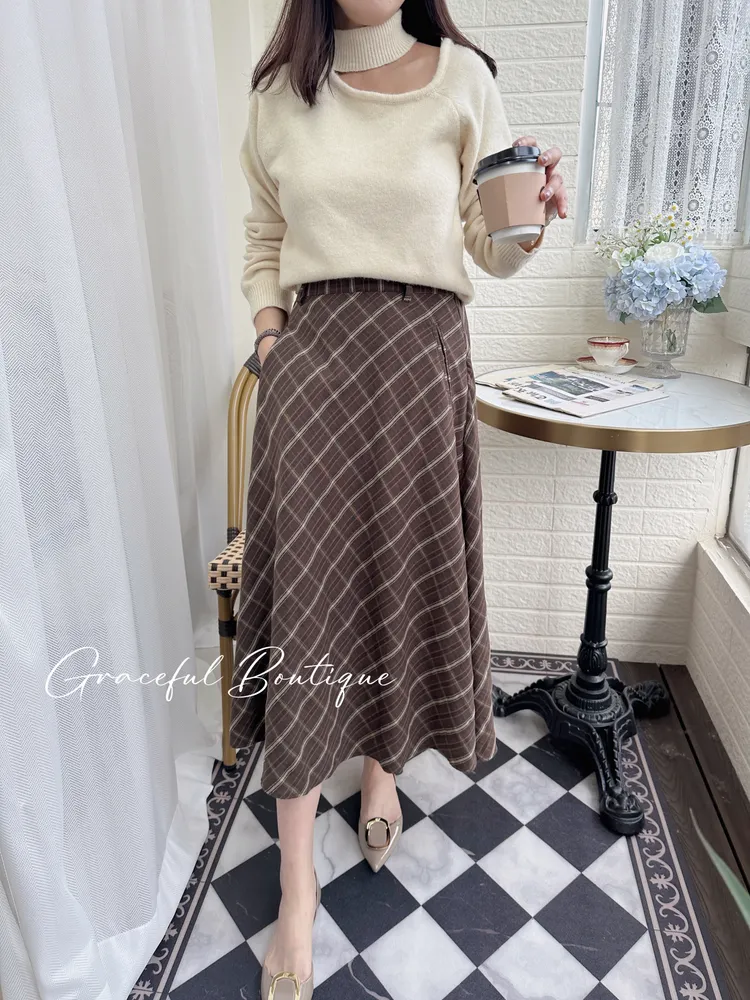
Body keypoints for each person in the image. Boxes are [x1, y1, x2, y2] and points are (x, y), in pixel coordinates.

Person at [231, 2, 568, 997]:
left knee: (398, 586)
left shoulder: (464, 78)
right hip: (317, 371)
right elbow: (264, 234)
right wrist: (270, 338)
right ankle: (297, 882)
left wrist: (531, 218)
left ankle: (382, 767)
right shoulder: (278, 92)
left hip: (423, 370)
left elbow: (491, 246)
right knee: (311, 607)